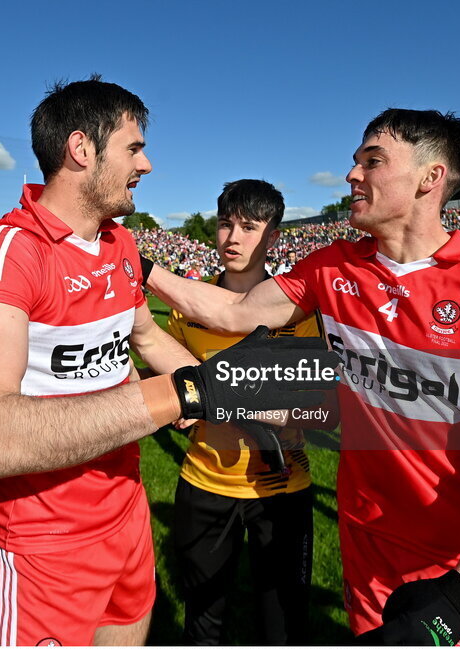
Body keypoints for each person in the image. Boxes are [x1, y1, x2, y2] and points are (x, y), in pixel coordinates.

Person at [146, 108, 460, 646]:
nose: (352, 174)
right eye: (354, 161)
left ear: (430, 178)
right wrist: (139, 264)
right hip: (364, 538)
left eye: (373, 161)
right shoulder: (332, 267)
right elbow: (233, 313)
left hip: (459, 553)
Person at [0, 77, 336, 647]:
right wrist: (183, 395)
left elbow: (150, 341)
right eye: (134, 147)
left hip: (124, 509)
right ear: (82, 150)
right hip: (41, 534)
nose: (147, 164)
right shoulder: (7, 253)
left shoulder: (119, 245)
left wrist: (242, 399)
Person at [167, 179, 335, 645]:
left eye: (248, 227)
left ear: (273, 236)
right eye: (225, 224)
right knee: (203, 618)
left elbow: (325, 407)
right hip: (203, 483)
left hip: (283, 487)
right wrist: (176, 406)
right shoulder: (187, 309)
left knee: (282, 623)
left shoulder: (300, 312)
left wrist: (287, 413)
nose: (232, 238)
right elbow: (168, 383)